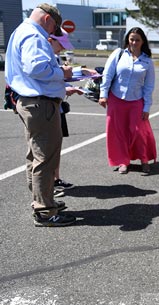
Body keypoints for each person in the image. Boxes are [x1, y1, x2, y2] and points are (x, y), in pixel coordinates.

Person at [5, 3, 76, 227]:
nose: (52, 33)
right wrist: (62, 73)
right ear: (47, 19)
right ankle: (46, 211)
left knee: (35, 156)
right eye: (53, 27)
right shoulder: (34, 35)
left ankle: (41, 201)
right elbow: (36, 68)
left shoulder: (21, 31)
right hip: (40, 104)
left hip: (30, 103)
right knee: (46, 158)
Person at [98, 27, 156, 175]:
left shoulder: (147, 61)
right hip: (116, 99)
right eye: (131, 39)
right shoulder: (118, 54)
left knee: (139, 132)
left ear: (143, 41)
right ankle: (123, 161)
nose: (134, 42)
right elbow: (107, 74)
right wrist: (103, 94)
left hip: (136, 100)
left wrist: (146, 107)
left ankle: (144, 159)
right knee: (118, 132)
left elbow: (149, 86)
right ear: (127, 40)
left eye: (137, 39)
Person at [49, 28, 79, 197]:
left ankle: (56, 179)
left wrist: (69, 86)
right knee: (48, 150)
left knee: (56, 146)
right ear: (49, 40)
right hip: (47, 108)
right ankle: (49, 186)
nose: (61, 48)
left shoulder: (55, 56)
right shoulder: (45, 58)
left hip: (57, 106)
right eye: (60, 44)